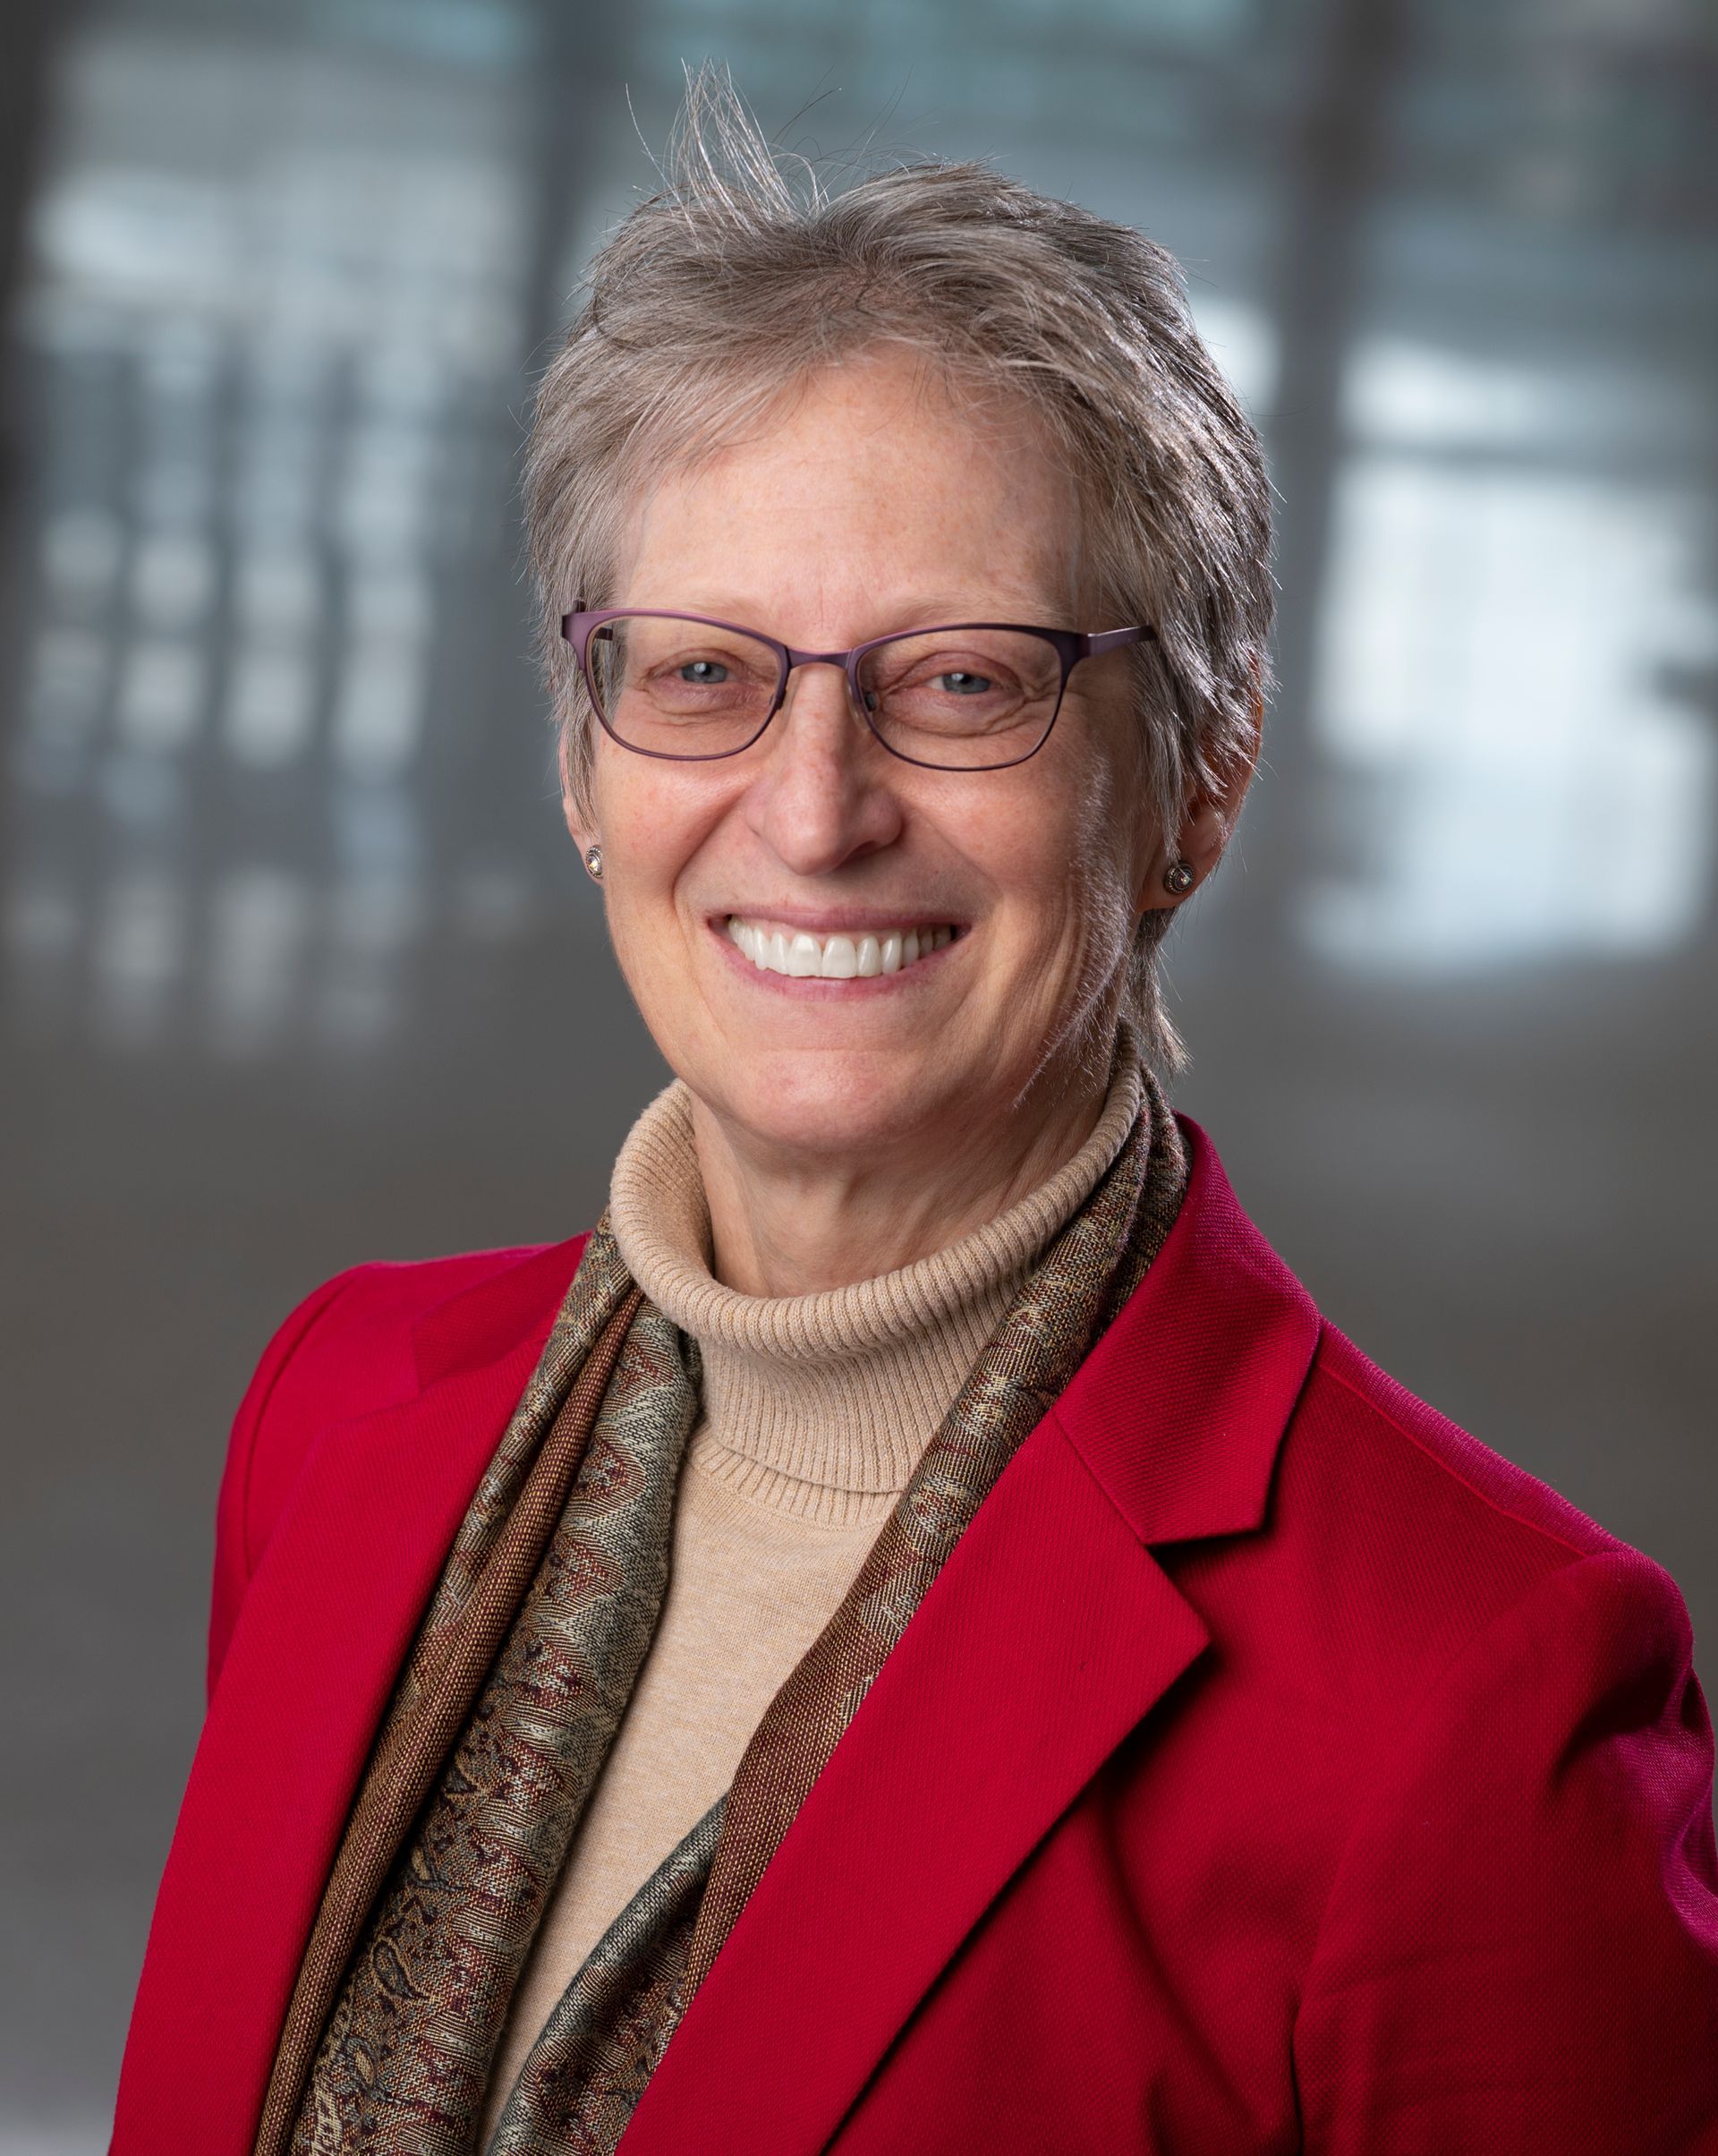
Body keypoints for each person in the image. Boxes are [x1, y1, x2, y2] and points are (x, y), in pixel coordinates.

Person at [113, 73, 1718, 2156]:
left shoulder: (1468, 1700)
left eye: (962, 681)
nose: (812, 805)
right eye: (702, 674)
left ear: (1201, 774)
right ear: (586, 764)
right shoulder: (341, 1412)